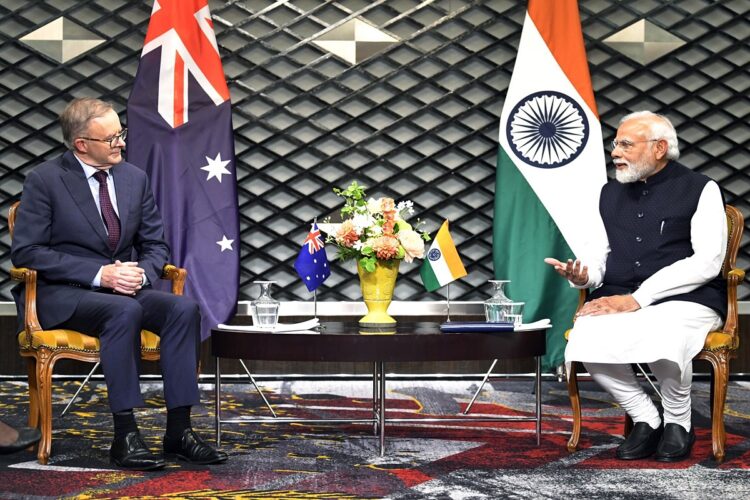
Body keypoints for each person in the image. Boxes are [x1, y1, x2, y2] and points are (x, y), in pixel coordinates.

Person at [10, 98, 227, 470]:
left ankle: (179, 430)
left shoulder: (132, 178)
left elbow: (156, 244)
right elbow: (27, 252)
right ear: (81, 144)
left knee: (183, 309)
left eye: (120, 134)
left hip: (124, 289)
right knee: (124, 310)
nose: (121, 144)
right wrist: (100, 274)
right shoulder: (45, 180)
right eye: (111, 138)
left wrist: (141, 272)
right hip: (65, 295)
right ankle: (125, 434)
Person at [545, 111, 726, 462]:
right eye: (615, 144)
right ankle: (645, 416)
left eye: (626, 144)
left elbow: (708, 261)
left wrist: (639, 299)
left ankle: (678, 421)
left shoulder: (701, 188)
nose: (615, 152)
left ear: (659, 148)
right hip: (619, 295)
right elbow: (599, 257)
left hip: (688, 298)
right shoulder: (608, 194)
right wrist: (584, 276)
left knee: (664, 330)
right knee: (588, 335)